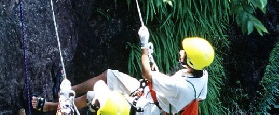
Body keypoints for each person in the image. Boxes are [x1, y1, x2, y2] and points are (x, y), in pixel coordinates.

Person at [31, 26, 214, 114]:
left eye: (184, 52)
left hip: (149, 108)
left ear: (190, 60)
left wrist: (144, 46)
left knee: (93, 99)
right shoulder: (200, 74)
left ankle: (54, 107)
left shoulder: (180, 87)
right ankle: (70, 92)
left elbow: (146, 74)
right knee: (109, 76)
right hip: (153, 94)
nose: (180, 51)